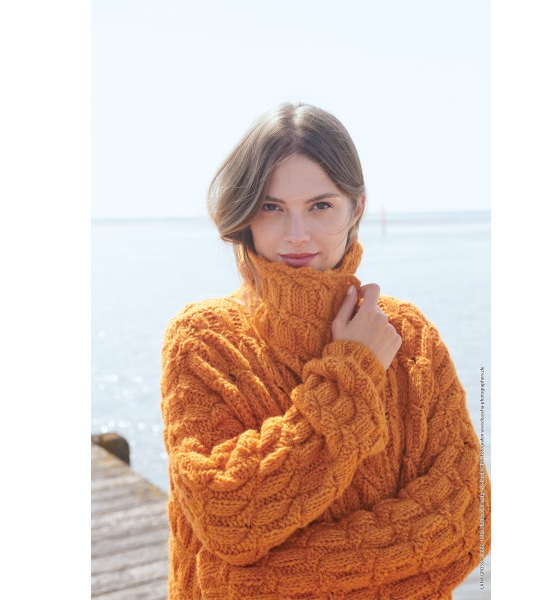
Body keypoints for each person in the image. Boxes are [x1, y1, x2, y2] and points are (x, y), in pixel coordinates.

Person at [160, 102, 491, 600]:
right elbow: (227, 517)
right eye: (271, 207)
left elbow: (468, 521)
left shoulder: (409, 337)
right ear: (246, 213)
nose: (297, 234)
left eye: (320, 206)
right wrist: (353, 372)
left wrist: (249, 583)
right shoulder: (204, 340)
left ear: (356, 209)